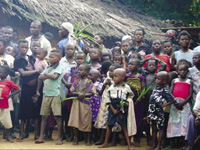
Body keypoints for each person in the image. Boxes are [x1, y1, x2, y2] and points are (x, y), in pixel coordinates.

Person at [99, 68, 134, 150]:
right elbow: (108, 98)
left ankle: (129, 145)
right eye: (113, 76)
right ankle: (105, 143)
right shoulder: (111, 87)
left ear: (122, 77)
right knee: (109, 125)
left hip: (122, 108)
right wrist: (113, 109)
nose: (114, 78)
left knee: (124, 126)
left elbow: (131, 95)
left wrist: (128, 102)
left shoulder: (126, 87)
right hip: (112, 107)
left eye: (116, 76)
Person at [35, 50, 63, 145]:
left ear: (59, 59)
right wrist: (48, 75)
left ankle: (59, 137)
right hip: (46, 94)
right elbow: (40, 77)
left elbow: (55, 77)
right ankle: (41, 136)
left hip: (55, 94)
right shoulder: (48, 67)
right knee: (44, 116)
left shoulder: (59, 67)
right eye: (49, 57)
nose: (50, 58)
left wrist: (46, 75)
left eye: (52, 57)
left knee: (57, 117)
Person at [14, 40, 40, 141]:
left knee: (35, 111)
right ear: (18, 48)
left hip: (35, 88)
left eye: (26, 47)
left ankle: (36, 134)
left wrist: (32, 70)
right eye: (22, 47)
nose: (24, 49)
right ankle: (21, 134)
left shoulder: (31, 58)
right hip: (25, 88)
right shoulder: (18, 60)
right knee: (24, 112)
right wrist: (36, 71)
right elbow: (23, 73)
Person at [68, 64, 96, 146]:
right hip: (76, 104)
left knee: (86, 121)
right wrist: (78, 93)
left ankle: (88, 140)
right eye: (78, 70)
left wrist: (84, 95)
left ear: (87, 72)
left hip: (85, 104)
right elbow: (71, 91)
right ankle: (75, 139)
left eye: (81, 70)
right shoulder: (76, 81)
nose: (79, 71)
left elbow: (92, 92)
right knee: (75, 121)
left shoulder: (89, 82)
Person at [94, 64, 121, 145]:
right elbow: (102, 91)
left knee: (113, 121)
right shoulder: (107, 79)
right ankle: (102, 139)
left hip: (113, 104)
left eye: (112, 71)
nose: (110, 72)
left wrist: (110, 84)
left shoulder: (118, 81)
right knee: (103, 121)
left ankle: (114, 140)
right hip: (104, 103)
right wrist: (104, 84)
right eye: (109, 70)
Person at [167, 62, 193, 148]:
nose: (182, 72)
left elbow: (190, 94)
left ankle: (184, 142)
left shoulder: (190, 81)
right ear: (177, 71)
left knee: (184, 123)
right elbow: (170, 92)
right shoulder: (174, 80)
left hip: (185, 105)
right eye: (180, 70)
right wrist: (175, 102)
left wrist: (182, 103)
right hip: (175, 105)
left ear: (187, 71)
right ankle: (174, 143)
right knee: (175, 123)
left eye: (184, 70)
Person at [148, 71, 175, 150]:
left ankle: (159, 146)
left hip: (160, 113)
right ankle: (154, 144)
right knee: (153, 128)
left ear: (165, 81)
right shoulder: (155, 88)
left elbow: (172, 100)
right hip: (153, 112)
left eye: (159, 79)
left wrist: (164, 105)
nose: (156, 80)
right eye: (156, 78)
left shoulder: (165, 90)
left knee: (161, 128)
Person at [125, 58, 145, 147]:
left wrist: (141, 97)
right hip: (128, 101)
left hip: (138, 101)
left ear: (137, 66)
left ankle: (137, 138)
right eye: (129, 64)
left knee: (138, 119)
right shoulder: (126, 76)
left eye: (132, 64)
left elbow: (143, 89)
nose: (129, 66)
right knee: (127, 119)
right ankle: (127, 139)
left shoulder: (140, 77)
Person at [0, 66, 20, 142]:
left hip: (4, 105)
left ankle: (7, 136)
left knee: (6, 121)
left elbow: (18, 89)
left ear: (5, 74)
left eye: (1, 72)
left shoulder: (8, 82)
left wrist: (10, 95)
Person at [88, 69, 103, 142]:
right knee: (89, 120)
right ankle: (90, 137)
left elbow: (100, 93)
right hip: (88, 104)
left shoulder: (99, 84)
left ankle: (97, 136)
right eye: (88, 75)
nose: (89, 76)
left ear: (97, 77)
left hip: (96, 105)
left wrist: (94, 88)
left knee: (96, 121)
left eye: (91, 75)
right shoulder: (86, 83)